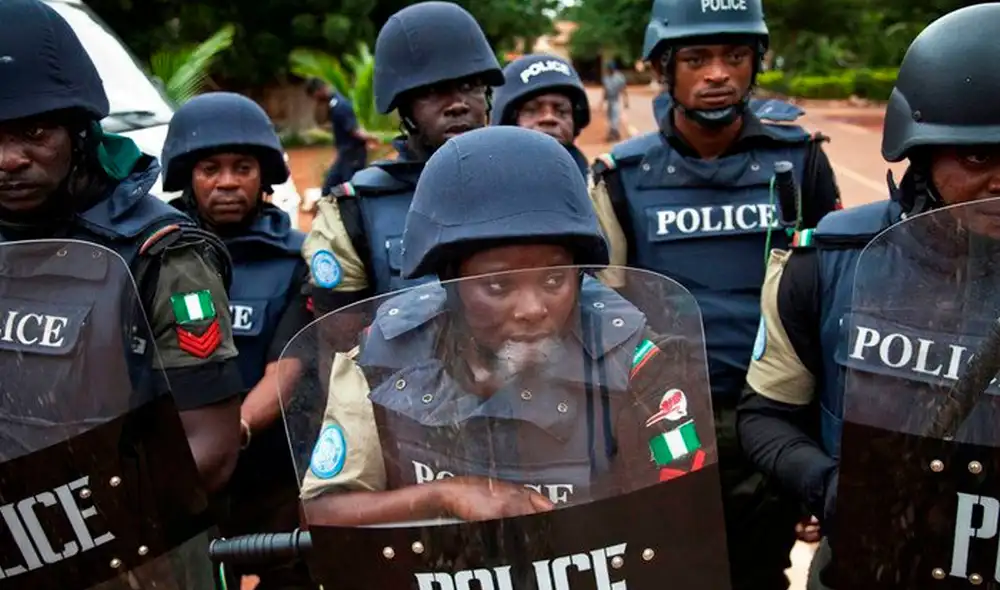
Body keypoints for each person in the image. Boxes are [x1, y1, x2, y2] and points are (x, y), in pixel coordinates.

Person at [298, 126, 714, 525]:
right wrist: (443, 495)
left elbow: (678, 522)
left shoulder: (640, 366)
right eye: (498, 285)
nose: (532, 308)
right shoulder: (382, 355)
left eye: (554, 280)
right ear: (450, 281)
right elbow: (324, 511)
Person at [737, 5, 1000, 588]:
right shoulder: (827, 262)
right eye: (979, 156)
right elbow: (766, 414)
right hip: (868, 560)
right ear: (920, 152)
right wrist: (826, 485)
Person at [587, 0, 843, 588]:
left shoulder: (801, 158)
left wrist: (823, 446)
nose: (718, 73)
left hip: (777, 418)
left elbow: (830, 298)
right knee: (669, 569)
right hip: (665, 414)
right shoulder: (622, 175)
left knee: (759, 569)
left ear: (756, 65)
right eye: (697, 58)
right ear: (663, 69)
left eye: (736, 56)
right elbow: (602, 306)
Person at [0, 0, 242, 494]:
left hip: (126, 551)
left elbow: (211, 447)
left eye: (34, 133)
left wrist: (63, 530)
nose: (9, 160)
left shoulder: (166, 255)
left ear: (81, 131)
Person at [160, 92, 315, 589]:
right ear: (188, 174)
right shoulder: (155, 256)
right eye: (211, 168)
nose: (227, 181)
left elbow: (287, 367)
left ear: (263, 175)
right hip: (176, 473)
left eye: (242, 167)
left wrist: (233, 431)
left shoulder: (296, 260)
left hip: (269, 471)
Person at [302, 0, 505, 314]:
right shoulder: (354, 210)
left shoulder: (527, 181)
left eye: (469, 86)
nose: (457, 105)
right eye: (432, 91)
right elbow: (342, 344)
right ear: (404, 108)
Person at [492, 54, 591, 177]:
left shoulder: (593, 184)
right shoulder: (488, 181)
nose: (549, 118)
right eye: (532, 110)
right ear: (509, 122)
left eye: (561, 111)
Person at [305, 78, 379, 197]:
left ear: (319, 90)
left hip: (353, 154)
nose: (314, 99)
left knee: (350, 188)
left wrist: (371, 138)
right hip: (345, 154)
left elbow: (355, 131)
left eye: (314, 95)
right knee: (331, 187)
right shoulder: (333, 104)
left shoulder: (340, 106)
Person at [601, 61, 628, 142]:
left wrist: (626, 101)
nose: (610, 70)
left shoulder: (619, 77)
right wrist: (602, 101)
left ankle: (613, 134)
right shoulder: (606, 78)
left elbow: (623, 90)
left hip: (615, 100)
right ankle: (615, 133)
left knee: (615, 117)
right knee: (610, 117)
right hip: (609, 100)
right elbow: (605, 91)